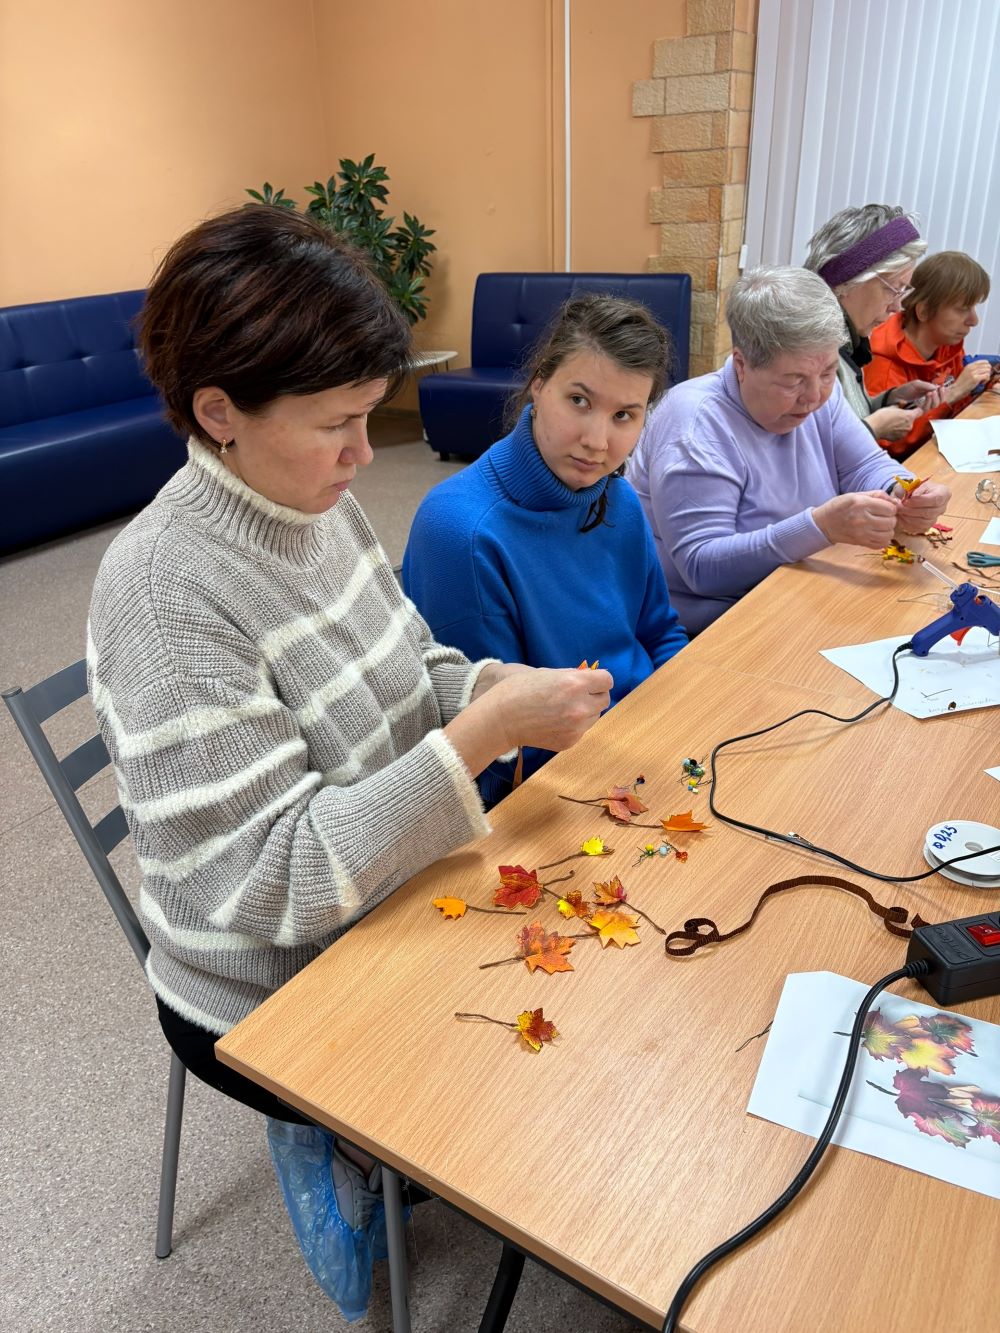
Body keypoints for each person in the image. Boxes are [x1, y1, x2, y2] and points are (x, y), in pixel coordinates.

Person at [86, 206, 613, 1316]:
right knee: (549, 1061)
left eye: (369, 416)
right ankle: (323, 1136)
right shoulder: (165, 594)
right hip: (260, 983)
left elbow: (413, 662)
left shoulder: (313, 501)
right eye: (336, 422)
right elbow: (271, 882)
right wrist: (483, 734)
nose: (365, 455)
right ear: (218, 413)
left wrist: (498, 692)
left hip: (378, 884)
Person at [402, 293, 687, 805]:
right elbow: (500, 753)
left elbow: (661, 632)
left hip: (646, 735)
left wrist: (688, 715)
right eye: (579, 401)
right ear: (538, 384)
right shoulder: (460, 532)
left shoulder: (619, 498)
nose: (598, 441)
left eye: (624, 415)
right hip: (560, 782)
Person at [628, 266, 951, 636]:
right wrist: (821, 526)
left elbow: (865, 465)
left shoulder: (820, 392)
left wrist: (908, 491)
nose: (814, 397)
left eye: (828, 373)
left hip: (794, 592)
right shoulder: (694, 426)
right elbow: (703, 569)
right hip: (715, 626)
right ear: (741, 364)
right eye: (793, 380)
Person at [804, 203, 947, 446]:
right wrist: (875, 428)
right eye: (893, 289)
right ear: (846, 281)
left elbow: (846, 418)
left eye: (903, 291)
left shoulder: (845, 339)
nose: (897, 307)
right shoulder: (812, 353)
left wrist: (890, 399)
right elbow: (811, 452)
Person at [865, 250, 995, 457]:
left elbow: (956, 410)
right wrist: (952, 394)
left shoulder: (947, 344)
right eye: (962, 309)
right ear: (924, 311)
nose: (974, 321)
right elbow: (888, 446)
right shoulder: (882, 364)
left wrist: (985, 381)